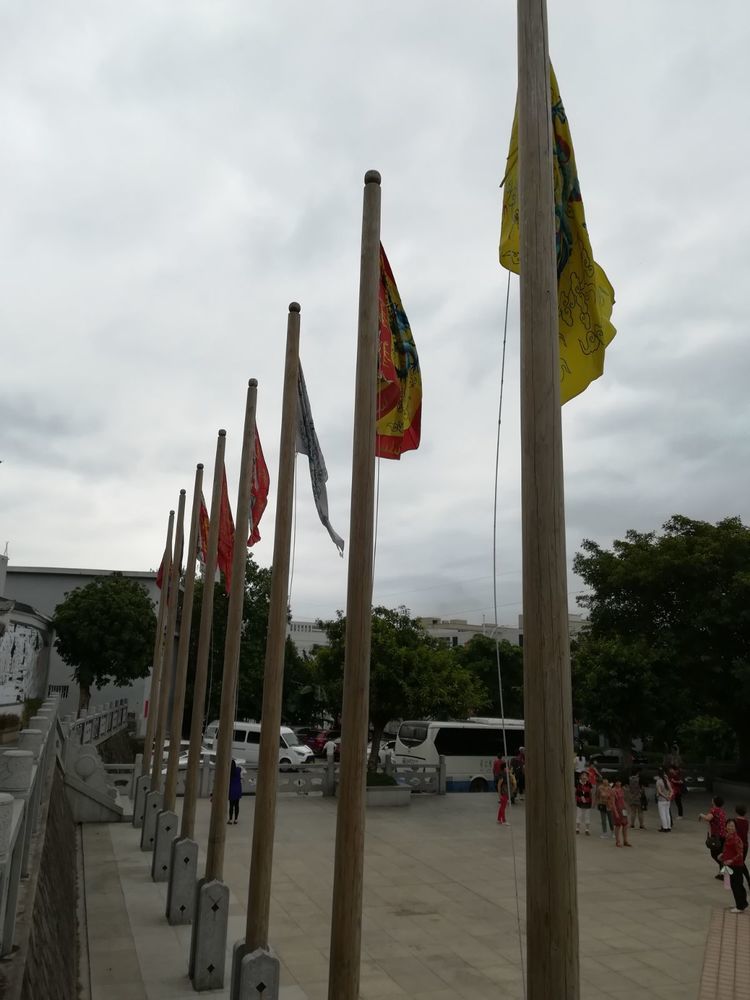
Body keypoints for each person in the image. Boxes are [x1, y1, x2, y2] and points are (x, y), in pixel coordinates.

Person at [719, 819, 748, 913]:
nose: (730, 827)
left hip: (736, 866)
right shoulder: (728, 836)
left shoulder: (736, 839)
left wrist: (731, 860)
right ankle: (741, 903)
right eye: (728, 825)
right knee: (734, 884)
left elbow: (740, 854)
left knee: (737, 885)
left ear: (735, 828)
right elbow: (728, 849)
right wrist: (723, 855)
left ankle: (740, 906)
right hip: (730, 865)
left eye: (732, 826)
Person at [700, 796, 727, 877]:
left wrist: (701, 815)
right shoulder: (722, 811)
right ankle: (721, 873)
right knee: (720, 853)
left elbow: (708, 818)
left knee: (715, 854)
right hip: (723, 835)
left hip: (716, 836)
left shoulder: (714, 810)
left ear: (714, 802)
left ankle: (724, 868)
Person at [609, 778, 631, 847]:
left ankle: (625, 841)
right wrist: (615, 812)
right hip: (617, 809)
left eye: (620, 782)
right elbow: (613, 803)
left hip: (623, 809)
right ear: (615, 783)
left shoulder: (621, 789)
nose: (619, 783)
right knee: (618, 826)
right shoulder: (613, 790)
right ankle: (617, 841)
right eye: (617, 782)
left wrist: (626, 807)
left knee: (625, 825)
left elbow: (623, 800)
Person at [733, 805, 749, 889]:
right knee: (740, 863)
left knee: (740, 863)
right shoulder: (746, 821)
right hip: (745, 844)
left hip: (737, 845)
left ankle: (746, 879)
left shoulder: (735, 821)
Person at [655, 768, 673, 832]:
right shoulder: (667, 780)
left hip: (661, 800)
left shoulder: (658, 781)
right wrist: (669, 796)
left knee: (662, 814)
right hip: (668, 800)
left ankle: (664, 827)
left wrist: (665, 797)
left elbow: (659, 792)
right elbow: (671, 790)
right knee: (667, 813)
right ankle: (669, 827)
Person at [495, 759, 510, 825]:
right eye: (507, 767)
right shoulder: (502, 775)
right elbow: (499, 785)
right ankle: (503, 821)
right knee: (503, 807)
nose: (508, 768)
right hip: (503, 792)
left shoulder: (504, 774)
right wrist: (499, 794)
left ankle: (499, 819)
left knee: (502, 806)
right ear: (504, 768)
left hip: (504, 792)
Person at [228, 759, 242, 824]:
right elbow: (242, 769)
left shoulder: (229, 772)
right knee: (237, 805)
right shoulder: (238, 770)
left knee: (231, 805)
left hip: (231, 789)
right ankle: (236, 819)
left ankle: (230, 819)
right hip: (238, 789)